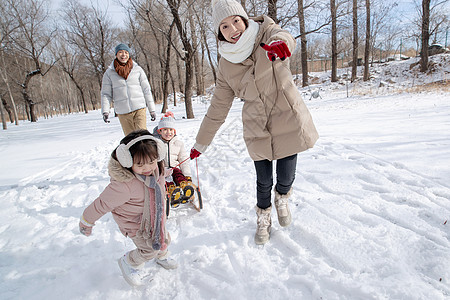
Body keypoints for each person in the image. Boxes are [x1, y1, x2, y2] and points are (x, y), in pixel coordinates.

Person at [190, 0, 319, 245]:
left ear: (245, 19)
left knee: (285, 177)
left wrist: (282, 45)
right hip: (256, 124)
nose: (233, 29)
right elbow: (218, 107)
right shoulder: (226, 65)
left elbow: (284, 36)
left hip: (286, 115)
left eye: (236, 21)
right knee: (263, 180)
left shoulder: (268, 34)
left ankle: (282, 197)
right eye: (224, 27)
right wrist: (200, 143)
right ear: (220, 33)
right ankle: (264, 217)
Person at [79, 129, 177, 286]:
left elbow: (156, 172)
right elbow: (101, 204)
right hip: (137, 224)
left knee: (165, 237)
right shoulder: (124, 185)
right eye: (139, 164)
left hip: (156, 216)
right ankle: (129, 262)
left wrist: (164, 173)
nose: (147, 168)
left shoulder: (156, 168)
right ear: (127, 160)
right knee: (148, 250)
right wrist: (86, 221)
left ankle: (162, 255)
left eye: (151, 161)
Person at [101, 43, 157, 136]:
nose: (123, 55)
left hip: (139, 108)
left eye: (126, 52)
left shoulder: (137, 69)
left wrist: (152, 110)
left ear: (129, 54)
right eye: (120, 52)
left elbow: (146, 90)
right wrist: (105, 111)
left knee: (142, 137)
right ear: (116, 54)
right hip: (123, 112)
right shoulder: (109, 73)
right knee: (130, 140)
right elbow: (106, 94)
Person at [155, 112, 194, 206]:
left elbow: (183, 160)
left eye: (171, 130)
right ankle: (172, 191)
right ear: (159, 131)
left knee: (179, 175)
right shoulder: (156, 144)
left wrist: (187, 175)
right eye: (164, 130)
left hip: (174, 167)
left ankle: (184, 186)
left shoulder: (179, 144)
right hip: (162, 169)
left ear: (174, 131)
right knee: (163, 180)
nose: (168, 132)